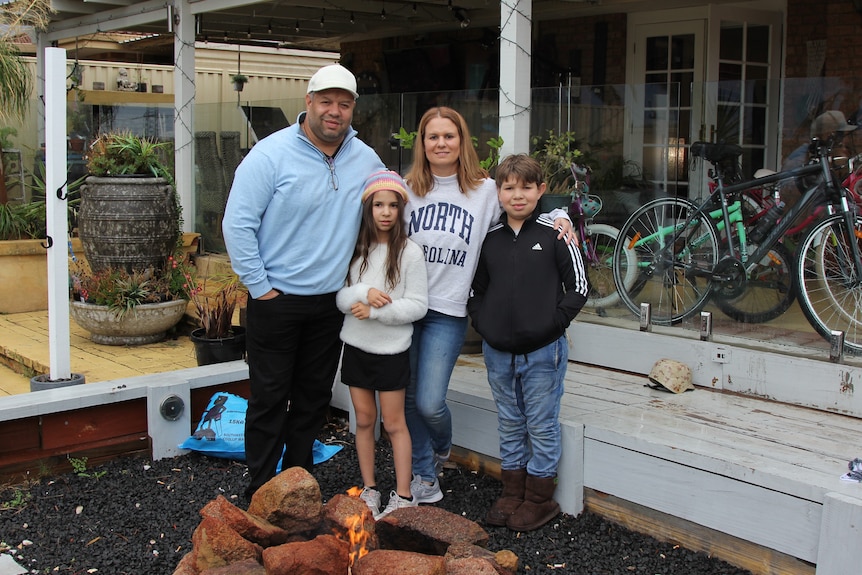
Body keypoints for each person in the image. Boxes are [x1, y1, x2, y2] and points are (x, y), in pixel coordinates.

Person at [222, 63, 385, 498]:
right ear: (309, 102)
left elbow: (396, 202)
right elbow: (237, 225)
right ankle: (261, 489)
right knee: (270, 399)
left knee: (313, 399)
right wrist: (260, 288)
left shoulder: (366, 158)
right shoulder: (270, 155)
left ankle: (297, 485)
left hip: (330, 304)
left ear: (353, 109)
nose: (335, 111)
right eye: (327, 101)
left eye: (344, 104)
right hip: (276, 301)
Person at [402, 106, 575, 504]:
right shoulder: (407, 187)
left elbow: (525, 201)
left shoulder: (482, 191)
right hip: (406, 308)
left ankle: (441, 447)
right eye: (433, 137)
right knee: (409, 397)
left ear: (461, 142)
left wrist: (561, 214)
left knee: (429, 402)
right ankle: (425, 477)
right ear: (422, 144)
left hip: (447, 311)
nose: (441, 143)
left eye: (449, 136)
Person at [467, 154, 588, 531]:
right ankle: (512, 492)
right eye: (509, 187)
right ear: (498, 192)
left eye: (526, 187)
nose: (517, 195)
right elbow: (476, 290)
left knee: (541, 422)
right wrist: (485, 326)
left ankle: (538, 498)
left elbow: (579, 288)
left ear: (540, 190)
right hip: (498, 351)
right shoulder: (489, 239)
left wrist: (550, 326)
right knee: (509, 421)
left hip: (543, 351)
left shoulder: (556, 234)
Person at [336, 170, 428, 520]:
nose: (386, 212)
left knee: (393, 423)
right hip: (357, 348)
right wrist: (362, 294)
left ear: (401, 209)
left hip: (391, 352)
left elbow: (417, 306)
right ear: (368, 208)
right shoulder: (356, 250)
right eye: (379, 204)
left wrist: (376, 312)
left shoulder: (410, 253)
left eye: (393, 205)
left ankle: (404, 495)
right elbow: (341, 297)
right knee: (363, 419)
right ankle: (369, 488)